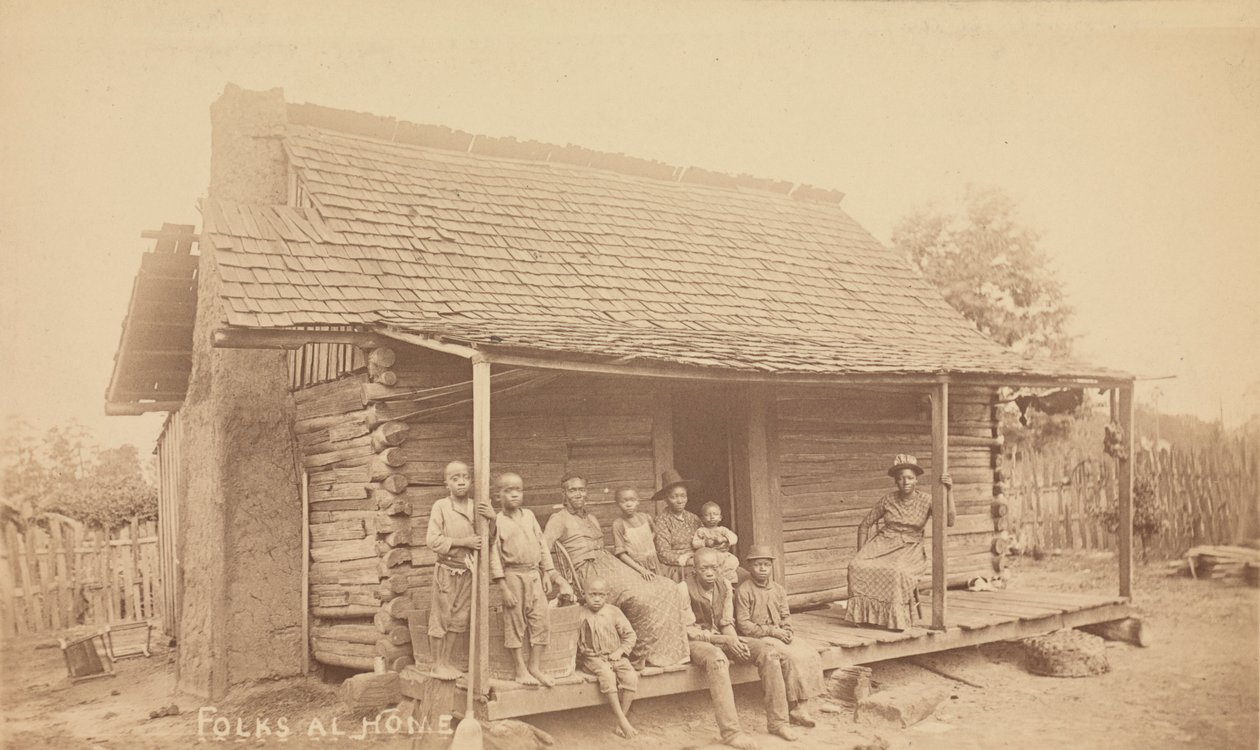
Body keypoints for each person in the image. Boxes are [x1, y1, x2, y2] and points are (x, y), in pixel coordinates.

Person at [543, 474, 688, 667]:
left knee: (666, 586)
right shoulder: (558, 519)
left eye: (581, 490)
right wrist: (556, 577)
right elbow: (542, 549)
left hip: (608, 564)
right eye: (572, 490)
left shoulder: (591, 518)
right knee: (639, 596)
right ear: (564, 493)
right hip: (587, 571)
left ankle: (669, 652)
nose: (578, 494)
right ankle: (641, 655)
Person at [680, 547, 795, 744]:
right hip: (697, 642)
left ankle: (779, 722)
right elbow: (689, 631)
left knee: (769, 653)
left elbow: (726, 622)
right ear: (695, 570)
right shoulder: (683, 589)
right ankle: (731, 733)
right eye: (704, 568)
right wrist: (726, 641)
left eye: (714, 568)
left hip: (723, 637)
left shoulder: (725, 585)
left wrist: (735, 641)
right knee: (718, 660)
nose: (710, 573)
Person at [846, 454, 954, 631]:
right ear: (896, 481)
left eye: (910, 478)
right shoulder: (888, 499)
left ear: (916, 480)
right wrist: (862, 553)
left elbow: (949, 521)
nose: (906, 482)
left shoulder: (926, 500)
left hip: (910, 548)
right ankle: (863, 616)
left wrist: (949, 492)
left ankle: (895, 619)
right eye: (901, 478)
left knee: (896, 571)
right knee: (856, 565)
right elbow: (864, 525)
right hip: (883, 543)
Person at [489, 472, 572, 687]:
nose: (514, 494)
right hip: (513, 576)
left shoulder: (529, 516)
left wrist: (547, 572)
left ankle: (535, 667)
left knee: (541, 620)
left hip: (534, 575)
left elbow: (542, 545)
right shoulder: (497, 522)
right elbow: (494, 555)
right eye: (508, 491)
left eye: (518, 490)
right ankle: (520, 670)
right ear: (498, 496)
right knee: (514, 622)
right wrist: (503, 587)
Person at [735, 545, 823, 729]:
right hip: (759, 637)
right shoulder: (744, 590)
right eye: (758, 564)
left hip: (780, 633)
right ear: (750, 566)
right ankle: (794, 706)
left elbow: (785, 614)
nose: (762, 568)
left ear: (771, 566)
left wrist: (787, 629)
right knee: (792, 657)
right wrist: (773, 632)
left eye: (766, 564)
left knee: (810, 653)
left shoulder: (778, 589)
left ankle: (804, 704)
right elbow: (744, 625)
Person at [424, 460, 495, 680]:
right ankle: (436, 665)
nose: (461, 482)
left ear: (471, 480)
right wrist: (463, 542)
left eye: (465, 477)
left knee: (459, 618)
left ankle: (446, 662)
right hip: (447, 570)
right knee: (441, 617)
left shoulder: (477, 507)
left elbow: (489, 540)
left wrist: (492, 519)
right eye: (455, 479)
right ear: (446, 483)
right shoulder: (441, 507)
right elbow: (432, 540)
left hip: (468, 571)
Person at [577, 577, 640, 739]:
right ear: (584, 594)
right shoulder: (579, 613)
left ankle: (621, 719)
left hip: (615, 655)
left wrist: (620, 652)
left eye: (601, 595)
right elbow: (571, 640)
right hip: (594, 658)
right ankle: (623, 720)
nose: (597, 599)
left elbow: (630, 636)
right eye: (592, 595)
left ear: (607, 595)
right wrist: (582, 651)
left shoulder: (614, 612)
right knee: (607, 675)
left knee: (631, 677)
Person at [653, 469, 702, 582]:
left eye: (683, 496)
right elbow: (663, 553)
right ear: (665, 499)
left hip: (699, 560)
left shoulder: (693, 518)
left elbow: (705, 538)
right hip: (677, 567)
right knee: (698, 575)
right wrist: (687, 561)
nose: (680, 501)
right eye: (674, 497)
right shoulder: (661, 521)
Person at [611, 487, 658, 580]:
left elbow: (655, 532)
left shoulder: (646, 517)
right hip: (636, 567)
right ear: (617, 504)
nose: (629, 504)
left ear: (638, 501)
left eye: (632, 500)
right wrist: (642, 570)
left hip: (654, 563)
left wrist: (646, 545)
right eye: (623, 501)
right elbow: (621, 554)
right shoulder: (618, 524)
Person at [692, 501, 740, 584]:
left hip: (723, 554)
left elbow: (734, 538)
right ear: (702, 519)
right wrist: (705, 543)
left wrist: (724, 539)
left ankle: (729, 582)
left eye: (715, 514)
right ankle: (716, 583)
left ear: (720, 517)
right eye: (707, 515)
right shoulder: (701, 531)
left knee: (732, 561)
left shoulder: (722, 530)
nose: (712, 517)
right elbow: (695, 543)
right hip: (708, 557)